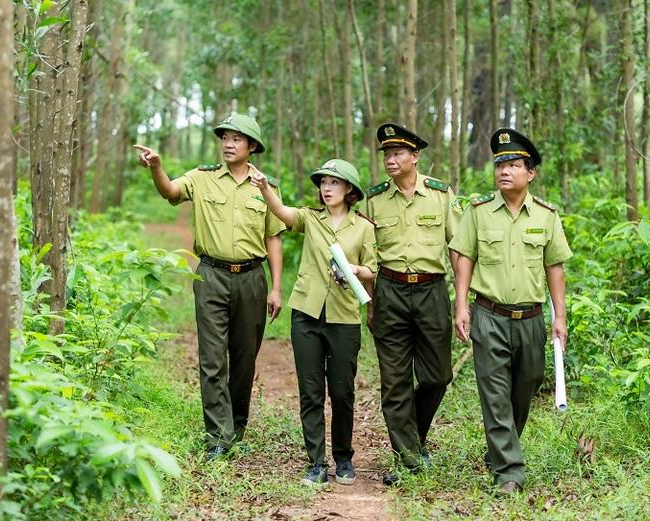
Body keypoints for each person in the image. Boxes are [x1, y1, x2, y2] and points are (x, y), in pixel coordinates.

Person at [133, 113, 286, 460]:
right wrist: (157, 166)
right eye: (225, 137)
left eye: (237, 139)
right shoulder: (202, 178)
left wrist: (276, 287)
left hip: (252, 277)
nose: (229, 144)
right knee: (213, 357)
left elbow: (274, 237)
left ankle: (237, 423)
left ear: (252, 147)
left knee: (244, 357)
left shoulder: (266, 186)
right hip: (212, 276)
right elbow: (170, 190)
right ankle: (218, 434)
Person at [449, 128, 572, 493]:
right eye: (500, 163)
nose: (504, 170)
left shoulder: (547, 216)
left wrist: (559, 316)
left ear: (530, 173)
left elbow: (555, 268)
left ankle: (501, 449)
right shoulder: (479, 213)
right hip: (489, 315)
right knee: (495, 393)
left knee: (525, 387)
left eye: (514, 164)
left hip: (531, 319)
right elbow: (464, 258)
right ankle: (509, 472)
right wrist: (460, 304)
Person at [250, 159, 376, 486]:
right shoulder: (310, 218)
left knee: (342, 391)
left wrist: (356, 271)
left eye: (334, 183)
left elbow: (372, 269)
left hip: (344, 317)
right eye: (323, 182)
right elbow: (282, 212)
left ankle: (344, 458)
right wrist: (265, 189)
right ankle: (316, 463)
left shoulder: (363, 227)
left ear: (349, 189)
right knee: (311, 391)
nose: (327, 188)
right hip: (306, 313)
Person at [365, 123, 462, 485]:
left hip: (431, 291)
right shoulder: (373, 200)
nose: (390, 160)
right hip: (388, 290)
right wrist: (370, 301)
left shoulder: (440, 194)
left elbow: (458, 246)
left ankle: (413, 438)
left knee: (438, 376)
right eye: (386, 155)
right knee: (395, 382)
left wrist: (463, 299)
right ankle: (408, 458)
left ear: (415, 156)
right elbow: (366, 251)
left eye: (397, 154)